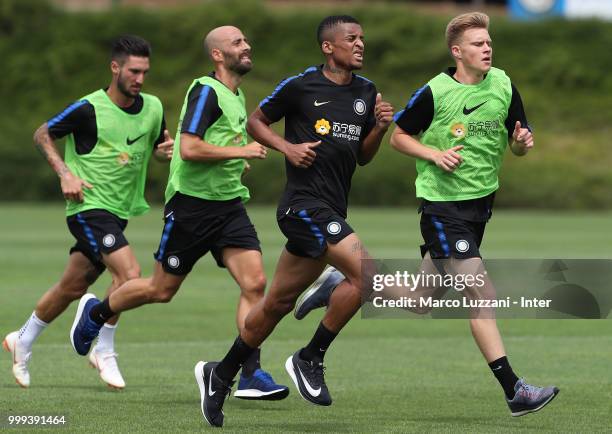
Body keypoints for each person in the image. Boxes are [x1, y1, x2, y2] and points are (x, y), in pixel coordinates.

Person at [294, 12, 560, 418]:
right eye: (477, 43)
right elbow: (399, 137)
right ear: (457, 51)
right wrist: (434, 154)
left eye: (488, 42)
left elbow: (518, 142)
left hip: (478, 208)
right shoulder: (435, 91)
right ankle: (515, 390)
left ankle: (344, 282)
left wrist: (523, 142)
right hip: (442, 207)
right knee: (480, 293)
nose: (486, 48)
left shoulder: (504, 84)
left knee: (421, 299)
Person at [189, 15, 394, 427]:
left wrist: (380, 128)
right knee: (368, 278)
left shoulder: (367, 92)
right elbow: (255, 121)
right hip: (302, 207)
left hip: (332, 211)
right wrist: (288, 148)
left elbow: (362, 157)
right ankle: (310, 357)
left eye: (362, 38)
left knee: (276, 305)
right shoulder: (301, 85)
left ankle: (221, 373)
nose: (360, 45)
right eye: (351, 39)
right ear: (328, 47)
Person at [70, 26, 288, 402]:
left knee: (254, 284)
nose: (246, 46)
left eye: (245, 41)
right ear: (218, 55)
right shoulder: (206, 91)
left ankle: (250, 373)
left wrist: (236, 162)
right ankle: (96, 313)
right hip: (192, 207)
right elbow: (189, 148)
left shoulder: (236, 95)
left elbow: (217, 144)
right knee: (160, 290)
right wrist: (243, 152)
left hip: (229, 204)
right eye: (237, 43)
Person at [2, 35, 174, 390]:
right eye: (133, 71)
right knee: (130, 274)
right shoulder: (88, 108)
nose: (140, 78)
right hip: (88, 207)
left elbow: (159, 146)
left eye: (144, 72)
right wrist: (66, 173)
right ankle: (105, 350)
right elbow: (42, 134)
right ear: (115, 67)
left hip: (120, 211)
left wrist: (165, 152)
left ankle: (23, 339)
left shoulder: (154, 107)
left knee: (72, 285)